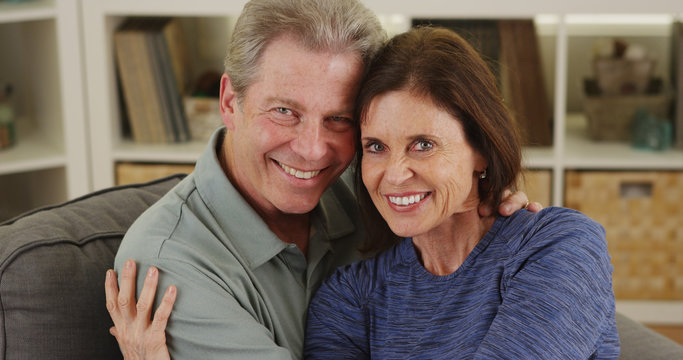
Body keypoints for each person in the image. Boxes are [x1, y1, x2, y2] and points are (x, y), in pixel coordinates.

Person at [104, 1, 538, 359]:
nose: (313, 149)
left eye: (339, 119)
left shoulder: (375, 189)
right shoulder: (169, 265)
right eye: (284, 112)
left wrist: (484, 216)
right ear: (230, 101)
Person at [303, 27, 620, 358]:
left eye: (423, 145)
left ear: (481, 147)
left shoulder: (560, 246)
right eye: (376, 146)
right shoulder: (350, 296)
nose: (394, 175)